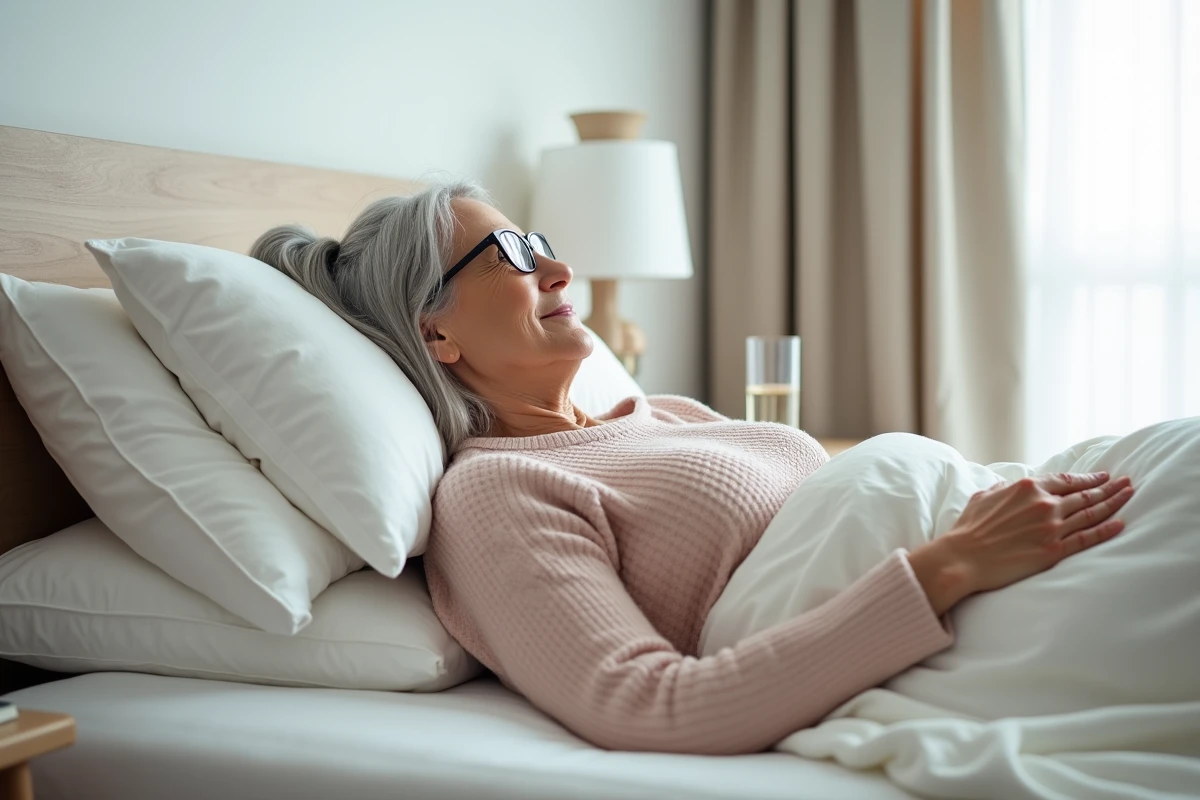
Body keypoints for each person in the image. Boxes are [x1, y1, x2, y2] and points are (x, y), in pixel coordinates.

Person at [250, 183, 1135, 755]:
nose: (559, 268)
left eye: (541, 240)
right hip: (972, 598)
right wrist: (952, 564)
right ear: (434, 330)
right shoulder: (497, 492)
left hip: (1020, 534)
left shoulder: (658, 415)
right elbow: (647, 704)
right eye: (510, 256)